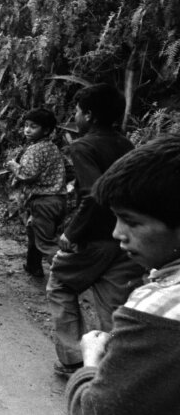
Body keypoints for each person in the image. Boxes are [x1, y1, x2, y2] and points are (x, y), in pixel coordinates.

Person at [65, 134, 180, 415]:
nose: (118, 232)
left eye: (131, 221)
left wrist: (91, 363)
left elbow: (94, 409)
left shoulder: (157, 309)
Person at [47, 84, 144, 378]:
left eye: (76, 111)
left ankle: (74, 359)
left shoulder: (83, 146)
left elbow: (94, 194)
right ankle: (116, 367)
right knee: (112, 303)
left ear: (88, 115)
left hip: (95, 236)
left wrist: (72, 233)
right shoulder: (126, 144)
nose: (75, 116)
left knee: (61, 284)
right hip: (127, 236)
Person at [6, 108, 67, 278]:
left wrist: (13, 165)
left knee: (45, 243)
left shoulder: (36, 149)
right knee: (34, 233)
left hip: (44, 202)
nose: (27, 130)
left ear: (46, 130)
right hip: (57, 200)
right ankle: (34, 266)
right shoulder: (52, 148)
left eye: (33, 127)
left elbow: (28, 175)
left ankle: (67, 275)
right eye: (26, 125)